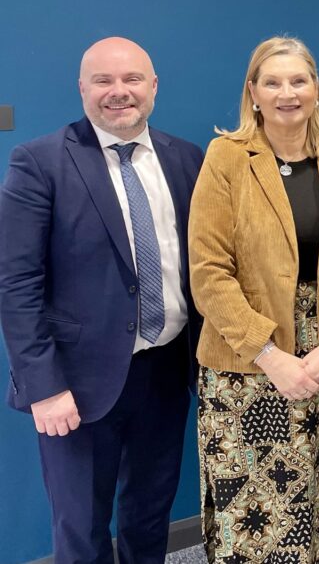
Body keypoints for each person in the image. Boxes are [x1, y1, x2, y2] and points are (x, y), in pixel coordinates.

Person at [0, 37, 204, 563]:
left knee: (150, 512)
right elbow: (15, 281)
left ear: (153, 86)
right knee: (82, 526)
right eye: (103, 81)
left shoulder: (186, 158)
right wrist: (43, 387)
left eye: (132, 79)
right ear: (82, 89)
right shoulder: (40, 162)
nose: (119, 92)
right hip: (77, 384)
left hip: (166, 369)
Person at [188, 36, 319, 562]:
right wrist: (272, 357)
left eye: (299, 81)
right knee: (260, 525)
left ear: (317, 90)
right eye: (272, 82)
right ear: (252, 93)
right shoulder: (227, 158)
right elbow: (208, 273)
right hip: (246, 368)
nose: (286, 93)